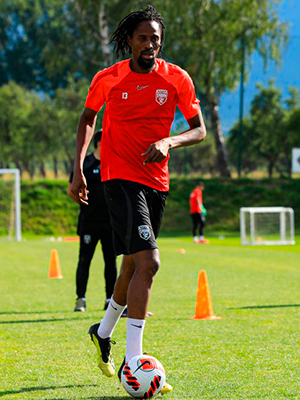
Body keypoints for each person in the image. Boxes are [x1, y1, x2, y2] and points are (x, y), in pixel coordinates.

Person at [68, 5, 206, 392]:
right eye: (142, 38)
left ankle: (102, 332)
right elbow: (88, 118)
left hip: (156, 183)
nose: (149, 45)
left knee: (132, 264)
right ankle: (134, 361)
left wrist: (169, 141)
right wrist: (78, 168)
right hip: (118, 178)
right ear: (129, 40)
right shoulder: (109, 78)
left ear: (161, 43)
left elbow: (199, 130)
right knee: (150, 262)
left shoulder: (177, 78)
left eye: (154, 39)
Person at [69, 130, 117, 312]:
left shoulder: (114, 162)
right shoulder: (85, 163)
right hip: (89, 222)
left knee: (110, 261)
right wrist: (84, 203)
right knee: (84, 260)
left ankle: (110, 299)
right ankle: (80, 299)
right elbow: (71, 190)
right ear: (99, 143)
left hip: (110, 223)